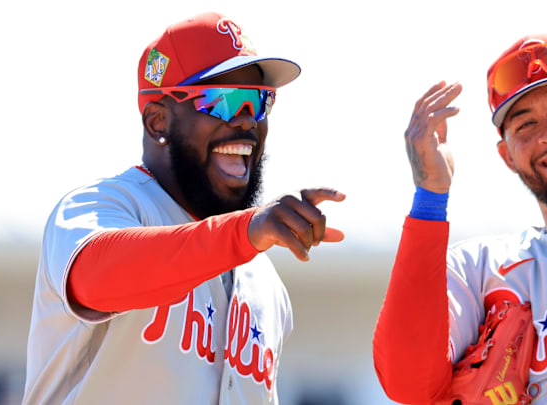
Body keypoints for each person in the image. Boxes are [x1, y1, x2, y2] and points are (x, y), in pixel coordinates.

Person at [21, 12, 346, 405]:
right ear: (158, 122)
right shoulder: (103, 206)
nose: (246, 119)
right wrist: (244, 232)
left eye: (258, 102)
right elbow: (94, 277)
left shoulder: (266, 285)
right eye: (223, 101)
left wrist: (245, 236)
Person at [373, 33, 547, 404]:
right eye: (526, 125)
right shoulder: (479, 270)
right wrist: (430, 197)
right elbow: (409, 383)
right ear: (507, 156)